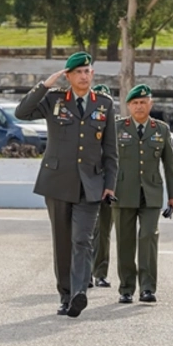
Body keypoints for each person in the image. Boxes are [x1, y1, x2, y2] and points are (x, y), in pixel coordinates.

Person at [16, 52, 119, 318]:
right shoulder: (54, 99)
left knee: (82, 239)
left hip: (91, 183)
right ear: (69, 76)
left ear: (92, 74)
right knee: (62, 242)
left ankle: (78, 293)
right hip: (57, 181)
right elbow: (22, 112)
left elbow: (111, 150)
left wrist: (110, 185)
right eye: (79, 72)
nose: (84, 76)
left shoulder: (104, 103)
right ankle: (65, 294)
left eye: (88, 71)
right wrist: (45, 85)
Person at [113, 84, 173, 303]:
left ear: (150, 104)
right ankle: (126, 288)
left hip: (151, 193)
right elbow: (107, 161)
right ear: (128, 106)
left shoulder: (161, 129)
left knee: (148, 237)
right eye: (135, 103)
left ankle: (148, 287)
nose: (139, 106)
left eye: (143, 102)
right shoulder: (116, 128)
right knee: (125, 241)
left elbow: (170, 165)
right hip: (122, 193)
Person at [90, 84, 115, 289]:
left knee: (104, 231)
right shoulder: (84, 127)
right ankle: (85, 272)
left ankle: (100, 273)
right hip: (88, 183)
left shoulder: (117, 128)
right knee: (85, 230)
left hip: (108, 186)